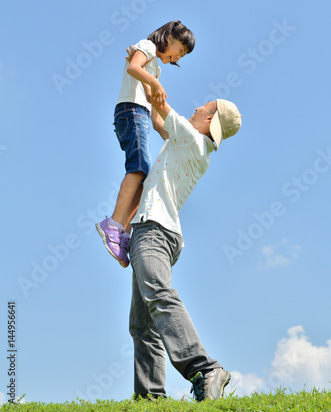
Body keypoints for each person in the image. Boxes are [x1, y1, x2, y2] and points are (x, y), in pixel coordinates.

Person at [128, 97, 242, 401]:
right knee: (142, 325)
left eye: (203, 107)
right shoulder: (188, 143)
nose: (195, 108)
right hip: (153, 230)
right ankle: (150, 398)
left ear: (209, 120)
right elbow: (157, 120)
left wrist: (148, 69)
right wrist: (148, 90)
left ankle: (204, 369)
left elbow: (160, 101)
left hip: (153, 230)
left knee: (160, 297)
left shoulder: (191, 138)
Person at [95, 21, 195, 268]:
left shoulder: (155, 70)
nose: (177, 57)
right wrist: (156, 83)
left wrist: (169, 135)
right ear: (169, 37)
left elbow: (153, 109)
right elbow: (133, 67)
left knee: (146, 178)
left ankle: (122, 234)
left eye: (181, 56)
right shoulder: (147, 46)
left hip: (140, 115)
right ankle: (113, 225)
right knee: (138, 168)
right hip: (130, 111)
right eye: (179, 50)